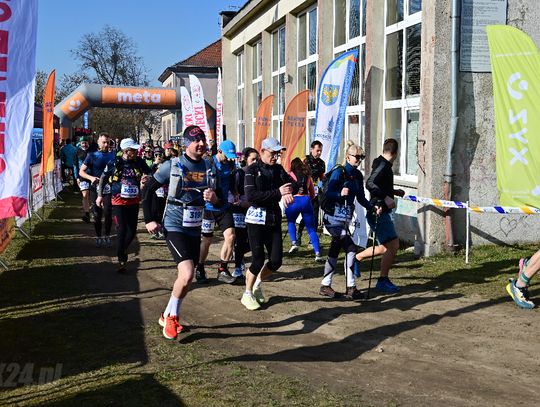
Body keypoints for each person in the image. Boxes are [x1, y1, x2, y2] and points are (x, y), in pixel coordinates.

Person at [141, 125, 222, 339]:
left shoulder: (209, 166)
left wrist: (215, 199)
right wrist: (149, 219)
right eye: (196, 140)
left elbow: (221, 197)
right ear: (186, 143)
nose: (201, 144)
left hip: (194, 226)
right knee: (186, 273)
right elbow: (148, 190)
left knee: (187, 277)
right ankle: (173, 318)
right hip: (174, 224)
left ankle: (166, 314)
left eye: (203, 139)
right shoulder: (172, 165)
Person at [241, 137, 297, 310]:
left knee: (276, 260)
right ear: (262, 151)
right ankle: (247, 293)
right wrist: (278, 193)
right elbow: (251, 196)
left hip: (273, 219)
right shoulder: (251, 170)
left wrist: (288, 191)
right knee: (257, 260)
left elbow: (293, 184)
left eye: (278, 154)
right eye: (272, 153)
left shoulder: (278, 169)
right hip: (256, 220)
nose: (275, 157)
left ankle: (257, 283)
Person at [319, 141, 375, 300]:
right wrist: (339, 194)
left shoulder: (357, 175)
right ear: (347, 157)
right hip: (331, 218)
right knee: (350, 247)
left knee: (335, 248)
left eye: (361, 157)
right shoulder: (339, 172)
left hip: (344, 219)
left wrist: (372, 207)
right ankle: (351, 287)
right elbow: (328, 193)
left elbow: (361, 198)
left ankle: (325, 285)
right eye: (356, 157)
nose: (359, 160)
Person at [355, 138, 405, 293]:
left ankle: (357, 258)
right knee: (394, 245)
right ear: (395, 153)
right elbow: (370, 183)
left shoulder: (383, 164)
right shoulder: (383, 165)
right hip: (377, 210)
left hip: (380, 209)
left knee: (385, 247)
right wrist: (386, 197)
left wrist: (393, 192)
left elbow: (380, 185)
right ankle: (382, 280)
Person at [96, 138, 151, 272]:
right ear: (126, 151)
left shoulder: (139, 161)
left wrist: (146, 178)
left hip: (134, 200)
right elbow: (103, 178)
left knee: (131, 232)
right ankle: (121, 260)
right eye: (134, 150)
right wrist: (100, 195)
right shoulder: (115, 162)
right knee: (121, 230)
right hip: (118, 201)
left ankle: (123, 249)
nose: (136, 152)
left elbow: (150, 173)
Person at [196, 139, 238, 285]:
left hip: (224, 207)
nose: (229, 158)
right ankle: (200, 267)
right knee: (207, 240)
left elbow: (231, 181)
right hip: (208, 209)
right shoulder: (207, 163)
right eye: (226, 155)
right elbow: (196, 181)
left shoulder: (231, 164)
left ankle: (223, 269)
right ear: (219, 151)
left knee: (231, 236)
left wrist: (235, 192)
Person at [79, 133, 116, 246]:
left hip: (109, 188)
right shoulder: (92, 155)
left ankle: (107, 235)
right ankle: (98, 236)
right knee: (97, 214)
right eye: (104, 142)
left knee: (108, 212)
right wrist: (91, 178)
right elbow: (81, 171)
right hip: (95, 188)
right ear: (98, 143)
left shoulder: (113, 155)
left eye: (107, 142)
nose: (106, 144)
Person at [285, 158, 324, 262]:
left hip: (293, 200)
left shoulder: (289, 174)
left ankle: (294, 243)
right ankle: (318, 253)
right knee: (311, 229)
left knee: (291, 222)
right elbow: (312, 193)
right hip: (306, 200)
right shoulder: (308, 175)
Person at [231, 147, 259, 279]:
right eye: (253, 159)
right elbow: (234, 192)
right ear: (245, 159)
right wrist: (239, 201)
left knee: (254, 240)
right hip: (239, 209)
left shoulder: (259, 174)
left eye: (257, 159)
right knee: (241, 239)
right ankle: (238, 268)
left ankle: (239, 254)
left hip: (253, 209)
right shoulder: (239, 173)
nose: (255, 162)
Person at [297, 140, 326, 244]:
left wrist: (326, 180)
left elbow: (322, 177)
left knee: (315, 215)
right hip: (304, 193)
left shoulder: (321, 163)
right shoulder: (304, 160)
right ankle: (299, 233)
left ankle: (312, 239)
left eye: (320, 151)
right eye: (317, 150)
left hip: (315, 192)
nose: (319, 153)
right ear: (311, 149)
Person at [74, 137, 91, 223]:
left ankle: (92, 209)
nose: (84, 144)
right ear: (80, 143)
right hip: (82, 176)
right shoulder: (77, 151)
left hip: (92, 175)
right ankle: (87, 214)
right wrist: (76, 177)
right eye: (83, 143)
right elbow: (75, 165)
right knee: (85, 194)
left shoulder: (92, 151)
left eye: (86, 143)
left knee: (92, 195)